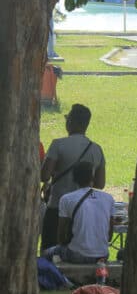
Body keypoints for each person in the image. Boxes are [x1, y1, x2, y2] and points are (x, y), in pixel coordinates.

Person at [41, 104, 106, 249]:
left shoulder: (58, 145)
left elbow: (44, 176)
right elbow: (100, 184)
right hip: (83, 210)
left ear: (71, 122)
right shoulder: (96, 149)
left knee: (49, 252)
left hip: (56, 208)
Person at [40, 162, 115, 265]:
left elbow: (61, 235)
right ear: (93, 178)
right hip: (102, 255)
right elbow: (109, 235)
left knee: (46, 254)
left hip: (77, 255)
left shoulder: (67, 199)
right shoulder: (108, 198)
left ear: (74, 178)